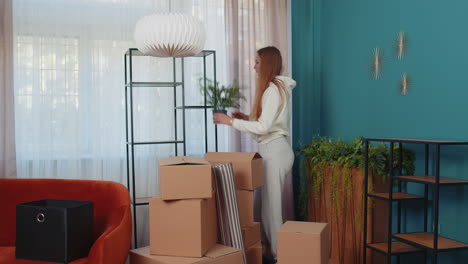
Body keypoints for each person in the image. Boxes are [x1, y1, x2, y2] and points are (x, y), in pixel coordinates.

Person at [213, 46, 296, 263]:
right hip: (272, 151)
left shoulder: (273, 90)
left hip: (275, 152)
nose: (254, 66)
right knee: (268, 211)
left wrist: (231, 121)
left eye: (257, 62)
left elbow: (264, 127)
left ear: (267, 63)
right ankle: (275, 253)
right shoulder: (275, 89)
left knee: (272, 212)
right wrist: (247, 118)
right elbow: (265, 123)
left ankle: (282, 257)